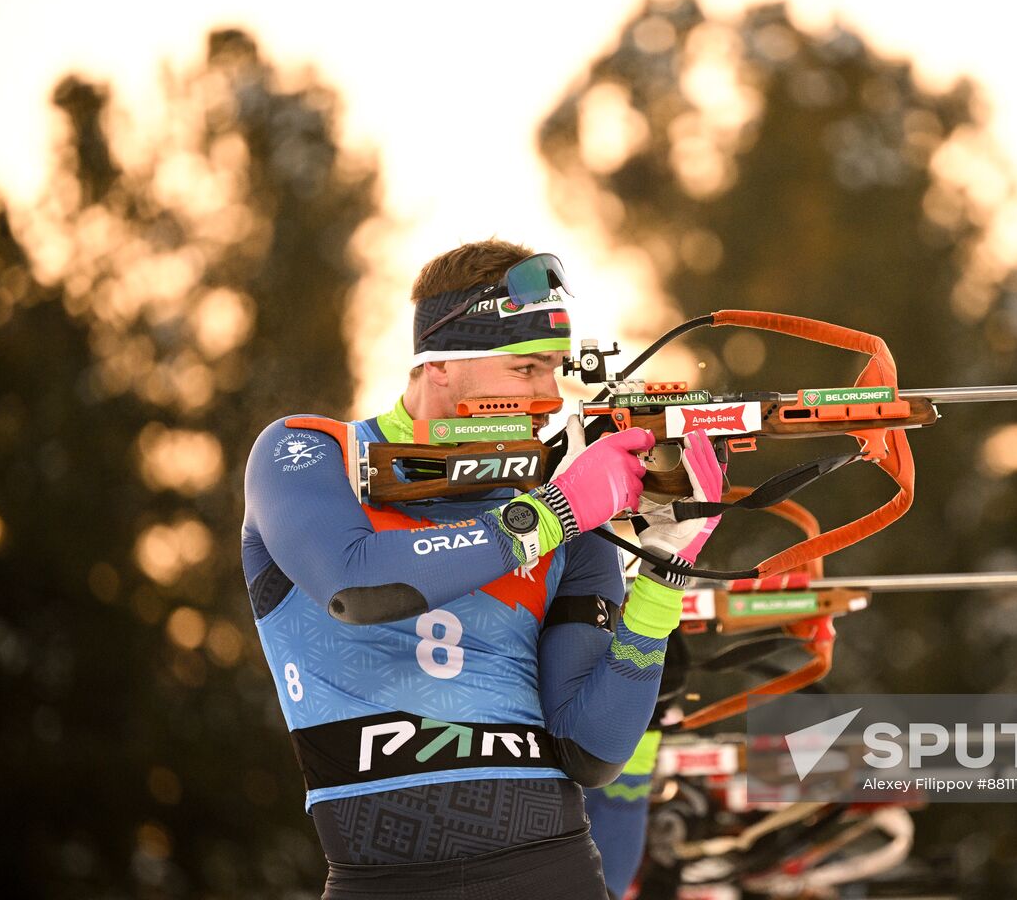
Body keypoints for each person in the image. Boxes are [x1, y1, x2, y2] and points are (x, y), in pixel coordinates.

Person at [240, 240, 723, 899]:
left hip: (551, 871)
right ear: (440, 363)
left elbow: (591, 749)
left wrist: (664, 577)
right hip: (375, 884)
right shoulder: (310, 453)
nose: (549, 397)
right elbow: (355, 585)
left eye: (554, 371)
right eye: (526, 368)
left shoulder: (560, 502)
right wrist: (553, 513)